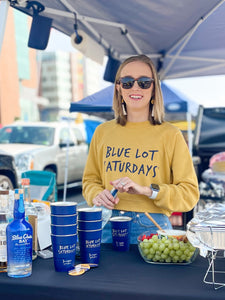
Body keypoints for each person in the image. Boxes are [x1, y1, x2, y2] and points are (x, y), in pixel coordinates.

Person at [82, 54, 199, 244]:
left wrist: (147, 191)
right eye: (127, 82)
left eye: (144, 82)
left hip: (151, 226)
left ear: (154, 89)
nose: (135, 87)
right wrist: (96, 194)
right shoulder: (102, 132)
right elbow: (89, 181)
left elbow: (189, 194)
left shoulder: (171, 135)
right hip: (104, 223)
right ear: (119, 88)